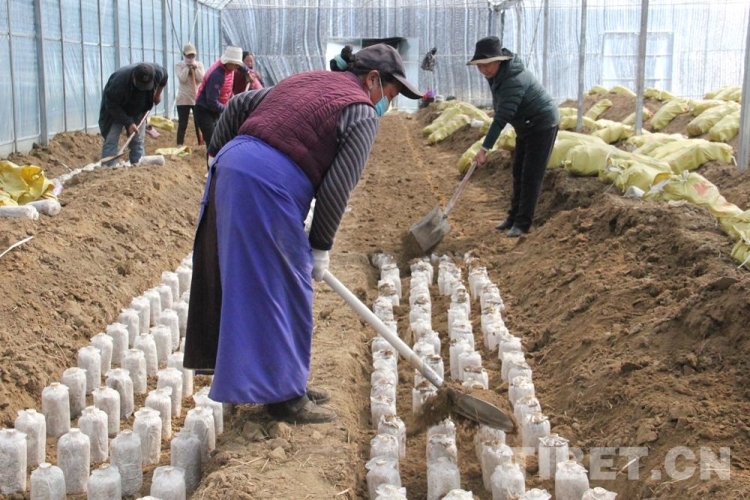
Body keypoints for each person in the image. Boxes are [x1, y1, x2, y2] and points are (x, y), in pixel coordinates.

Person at [183, 43, 422, 424]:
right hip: (266, 184)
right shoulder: (361, 112)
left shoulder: (307, 80)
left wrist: (217, 154)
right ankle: (285, 398)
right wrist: (320, 246)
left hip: (234, 169)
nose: (387, 104)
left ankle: (285, 385)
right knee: (287, 288)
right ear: (373, 80)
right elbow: (337, 188)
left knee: (261, 285)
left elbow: (240, 105)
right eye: (390, 95)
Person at [468, 36, 560, 237]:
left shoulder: (513, 80)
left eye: (486, 64)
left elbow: (501, 118)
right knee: (518, 171)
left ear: (499, 61)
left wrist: (484, 149)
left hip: (542, 124)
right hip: (525, 125)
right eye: (479, 66)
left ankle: (522, 223)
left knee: (530, 175)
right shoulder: (497, 75)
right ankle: (512, 218)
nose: (483, 70)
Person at [98, 62, 168, 166]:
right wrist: (128, 123)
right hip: (117, 110)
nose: (142, 89)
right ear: (133, 77)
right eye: (140, 85)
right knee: (111, 140)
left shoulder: (157, 72)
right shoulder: (118, 83)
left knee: (137, 140)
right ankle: (108, 168)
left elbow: (165, 76)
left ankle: (138, 166)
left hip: (139, 109)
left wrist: (158, 94)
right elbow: (111, 105)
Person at [194, 46, 243, 149]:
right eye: (236, 65)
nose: (237, 67)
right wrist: (228, 109)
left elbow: (241, 67)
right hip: (205, 110)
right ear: (229, 62)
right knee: (213, 143)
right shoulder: (217, 75)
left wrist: (247, 73)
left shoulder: (229, 68)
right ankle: (211, 159)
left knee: (221, 140)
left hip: (217, 110)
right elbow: (212, 102)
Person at [175, 43, 205, 146]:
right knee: (183, 123)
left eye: (192, 55)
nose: (191, 57)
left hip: (196, 98)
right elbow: (182, 79)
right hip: (183, 99)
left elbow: (201, 79)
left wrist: (195, 69)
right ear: (184, 54)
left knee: (198, 123)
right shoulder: (179, 65)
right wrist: (187, 68)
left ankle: (201, 143)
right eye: (188, 55)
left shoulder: (199, 65)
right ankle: (179, 144)